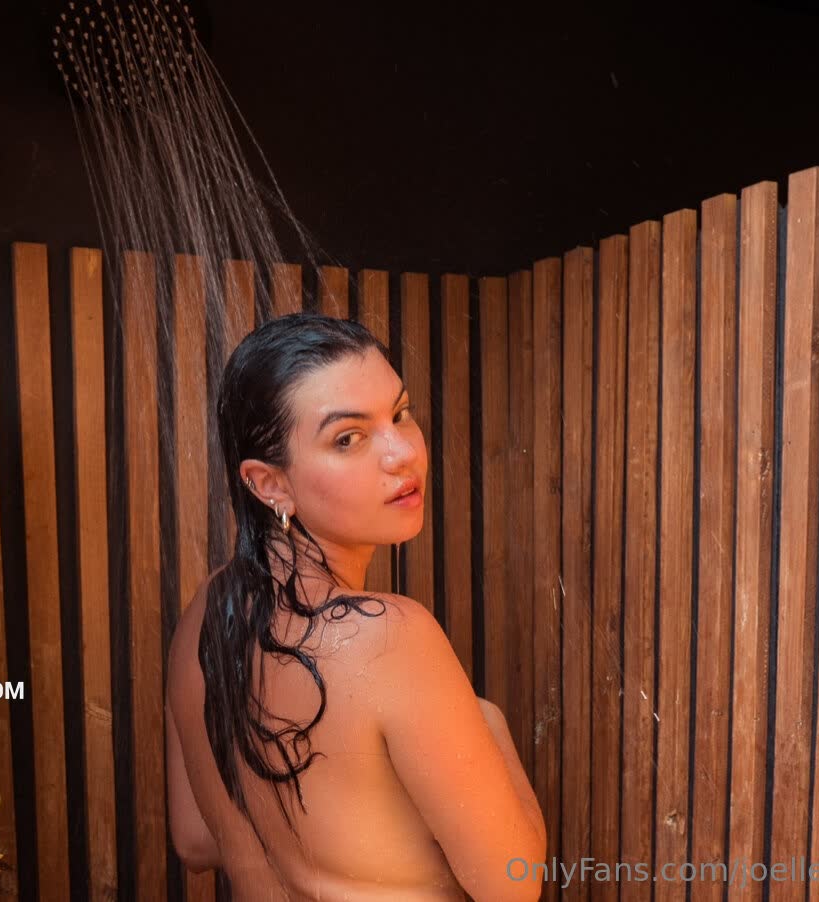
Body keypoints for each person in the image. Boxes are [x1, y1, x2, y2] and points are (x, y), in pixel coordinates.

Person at [165, 312, 546, 900]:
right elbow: (512, 884)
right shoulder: (389, 636)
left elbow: (195, 840)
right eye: (348, 438)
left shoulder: (207, 614)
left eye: (400, 413)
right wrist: (490, 725)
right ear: (270, 484)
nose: (402, 453)